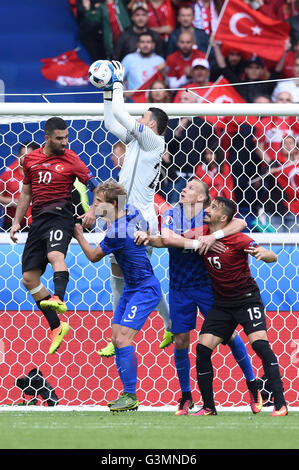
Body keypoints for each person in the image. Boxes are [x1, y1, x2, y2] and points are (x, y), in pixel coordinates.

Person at [136, 179, 259, 416]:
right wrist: (198, 242)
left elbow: (241, 222)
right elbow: (168, 239)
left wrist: (214, 237)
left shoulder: (208, 215)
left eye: (191, 188)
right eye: (185, 186)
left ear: (203, 198)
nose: (184, 189)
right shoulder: (172, 213)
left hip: (207, 285)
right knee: (181, 339)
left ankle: (253, 385)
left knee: (230, 334)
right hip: (180, 286)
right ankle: (186, 396)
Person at [98, 60, 172, 357]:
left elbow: (121, 112)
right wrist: (106, 92)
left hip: (141, 219)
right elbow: (110, 121)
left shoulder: (153, 140)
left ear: (151, 123)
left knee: (141, 279)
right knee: (118, 274)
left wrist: (117, 82)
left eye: (143, 115)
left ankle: (169, 323)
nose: (139, 118)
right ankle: (117, 334)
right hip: (120, 215)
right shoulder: (137, 141)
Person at [10, 117, 98, 355]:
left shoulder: (71, 159)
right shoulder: (30, 159)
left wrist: (92, 210)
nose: (64, 142)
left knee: (55, 255)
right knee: (28, 278)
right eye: (59, 138)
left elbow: (96, 187)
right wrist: (17, 222)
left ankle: (59, 297)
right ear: (47, 138)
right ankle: (56, 326)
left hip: (61, 216)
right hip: (38, 222)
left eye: (66, 137)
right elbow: (26, 193)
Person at [192, 196, 288, 417]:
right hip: (223, 304)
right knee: (202, 348)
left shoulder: (239, 240)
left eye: (213, 208)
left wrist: (266, 255)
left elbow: (271, 255)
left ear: (223, 217)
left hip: (247, 300)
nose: (207, 210)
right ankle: (208, 407)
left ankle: (280, 403)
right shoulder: (201, 234)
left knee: (260, 346)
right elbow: (176, 238)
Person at [73, 181, 162, 411]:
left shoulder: (117, 232)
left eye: (98, 203)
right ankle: (127, 394)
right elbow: (144, 227)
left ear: (113, 204)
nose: (95, 208)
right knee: (116, 339)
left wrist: (79, 235)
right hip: (132, 287)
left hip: (144, 289)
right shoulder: (132, 210)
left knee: (123, 339)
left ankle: (131, 396)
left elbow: (93, 256)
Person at [0, 141, 39, 232]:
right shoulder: (8, 174)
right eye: (22, 155)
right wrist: (13, 202)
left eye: (28, 156)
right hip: (11, 223)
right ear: (18, 156)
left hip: (36, 223)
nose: (25, 158)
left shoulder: (41, 175)